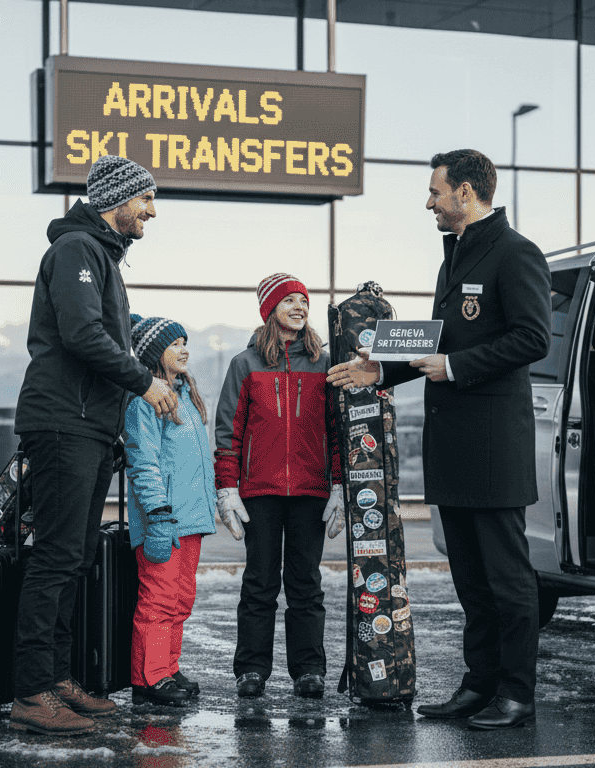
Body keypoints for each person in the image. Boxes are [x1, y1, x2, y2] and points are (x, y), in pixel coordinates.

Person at [326, 149, 551, 729]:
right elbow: (435, 345)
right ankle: (479, 686)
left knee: (507, 580)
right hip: (454, 449)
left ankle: (517, 694)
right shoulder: (454, 259)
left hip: (494, 449)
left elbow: (532, 338)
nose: (428, 201)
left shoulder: (516, 253)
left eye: (435, 191)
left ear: (468, 192)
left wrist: (454, 367)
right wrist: (382, 372)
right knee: (471, 582)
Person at [10, 154, 178, 736]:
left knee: (74, 558)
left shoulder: (100, 256)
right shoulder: (77, 251)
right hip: (63, 422)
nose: (150, 213)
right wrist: (145, 380)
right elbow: (83, 335)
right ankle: (31, 693)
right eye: (145, 201)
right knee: (55, 557)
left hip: (89, 426)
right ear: (117, 198)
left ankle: (55, 679)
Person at [214, 273, 345, 700]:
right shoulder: (245, 364)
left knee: (306, 582)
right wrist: (226, 488)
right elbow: (228, 433)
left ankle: (309, 669)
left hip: (311, 491)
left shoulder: (324, 363)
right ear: (270, 310)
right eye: (289, 301)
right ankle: (251, 669)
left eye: (303, 302)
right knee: (260, 582)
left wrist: (340, 484)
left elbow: (338, 428)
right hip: (261, 492)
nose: (299, 307)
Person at [123, 315, 218, 707]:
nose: (185, 349)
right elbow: (143, 461)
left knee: (181, 600)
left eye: (185, 341)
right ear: (153, 353)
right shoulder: (145, 402)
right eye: (175, 343)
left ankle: (168, 667)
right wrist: (157, 513)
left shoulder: (184, 396)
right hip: (164, 520)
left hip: (191, 519)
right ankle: (150, 678)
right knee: (158, 599)